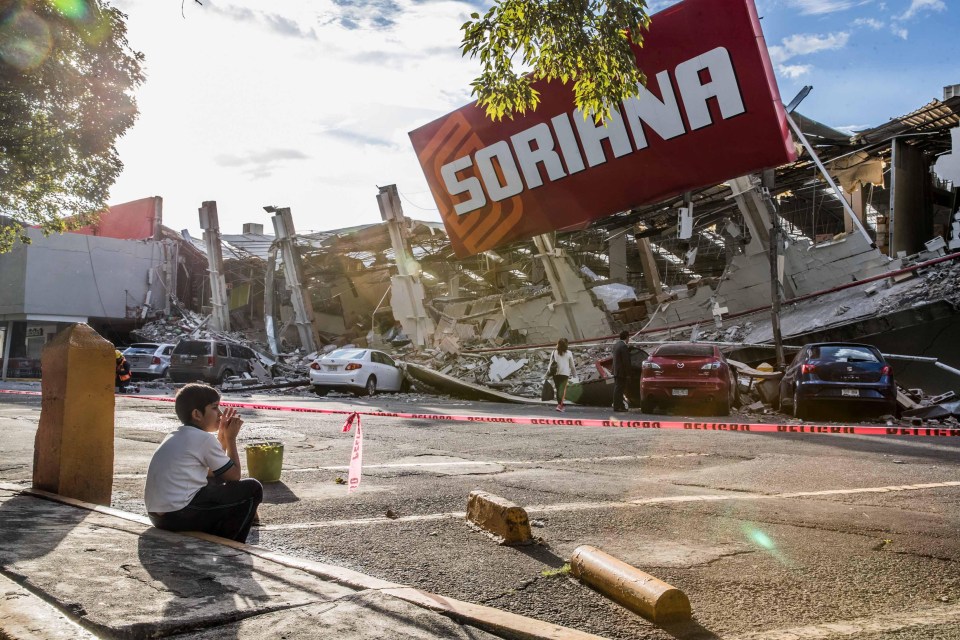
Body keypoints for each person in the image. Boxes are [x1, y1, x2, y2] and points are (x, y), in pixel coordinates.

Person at [144, 383, 263, 543]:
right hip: (179, 515)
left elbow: (214, 471)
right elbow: (234, 476)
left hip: (158, 517)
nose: (220, 414)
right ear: (197, 414)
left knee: (216, 478)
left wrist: (221, 437)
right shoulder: (203, 439)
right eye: (215, 408)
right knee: (253, 488)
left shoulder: (176, 435)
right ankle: (231, 543)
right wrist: (231, 438)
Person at [549, 338, 577, 412]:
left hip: (556, 373)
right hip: (564, 374)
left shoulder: (554, 352)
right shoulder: (569, 353)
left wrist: (547, 374)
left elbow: (550, 364)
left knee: (558, 389)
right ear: (566, 344)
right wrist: (575, 376)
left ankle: (559, 404)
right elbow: (572, 366)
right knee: (562, 390)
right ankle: (560, 405)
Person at [612, 330, 631, 412]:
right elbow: (626, 361)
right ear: (627, 337)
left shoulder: (617, 345)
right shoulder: (623, 346)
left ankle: (620, 405)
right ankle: (618, 406)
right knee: (619, 389)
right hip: (621, 372)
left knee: (618, 389)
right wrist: (628, 373)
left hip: (616, 371)